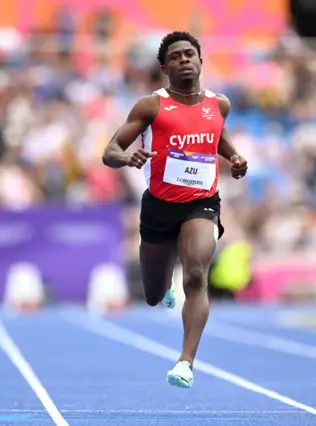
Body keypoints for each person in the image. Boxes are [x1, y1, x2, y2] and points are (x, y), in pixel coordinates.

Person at [101, 31, 248, 388]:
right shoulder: (151, 105)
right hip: (159, 206)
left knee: (196, 275)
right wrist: (128, 157)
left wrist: (234, 157)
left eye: (189, 54)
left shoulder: (219, 104)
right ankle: (163, 283)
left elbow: (215, 135)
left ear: (200, 60)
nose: (184, 59)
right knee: (152, 295)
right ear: (165, 66)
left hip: (202, 201)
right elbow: (110, 151)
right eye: (176, 56)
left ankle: (185, 362)